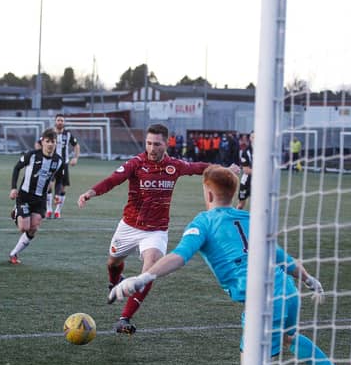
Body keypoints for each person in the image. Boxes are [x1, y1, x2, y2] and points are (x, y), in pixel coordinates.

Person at [109, 165, 351, 365]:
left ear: (209, 193)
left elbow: (179, 256)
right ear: (233, 194)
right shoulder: (249, 218)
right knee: (290, 337)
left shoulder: (204, 221)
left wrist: (142, 278)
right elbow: (282, 257)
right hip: (288, 291)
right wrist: (309, 280)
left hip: (263, 301)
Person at [77, 123, 235, 334]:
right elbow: (113, 180)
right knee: (113, 263)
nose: (152, 148)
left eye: (157, 144)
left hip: (156, 231)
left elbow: (200, 167)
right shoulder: (136, 163)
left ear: (167, 143)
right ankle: (114, 282)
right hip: (129, 226)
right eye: (149, 143)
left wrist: (224, 170)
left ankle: (124, 318)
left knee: (150, 269)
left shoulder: (174, 166)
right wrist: (90, 192)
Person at [9, 128, 63, 264]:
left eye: (53, 141)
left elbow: (59, 179)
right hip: (25, 195)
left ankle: (14, 254)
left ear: (56, 143)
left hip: (40, 198)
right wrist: (13, 188)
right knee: (23, 228)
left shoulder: (59, 161)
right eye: (47, 141)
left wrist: (57, 194)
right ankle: (16, 211)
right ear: (42, 142)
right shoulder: (32, 155)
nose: (50, 144)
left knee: (34, 228)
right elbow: (16, 168)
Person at [35, 114, 80, 219]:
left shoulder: (68, 134)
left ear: (64, 122)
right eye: (58, 120)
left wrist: (75, 157)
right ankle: (49, 209)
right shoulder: (50, 133)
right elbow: (38, 143)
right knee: (48, 186)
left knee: (63, 188)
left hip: (63, 164)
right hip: (51, 163)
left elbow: (76, 145)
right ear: (55, 121)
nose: (60, 122)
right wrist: (40, 155)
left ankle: (58, 211)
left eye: (62, 120)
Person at [236, 131, 254, 210]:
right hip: (247, 181)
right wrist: (261, 173)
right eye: (253, 137)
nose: (255, 139)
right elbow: (246, 170)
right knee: (240, 205)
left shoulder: (264, 151)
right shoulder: (246, 152)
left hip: (259, 182)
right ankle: (235, 220)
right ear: (250, 138)